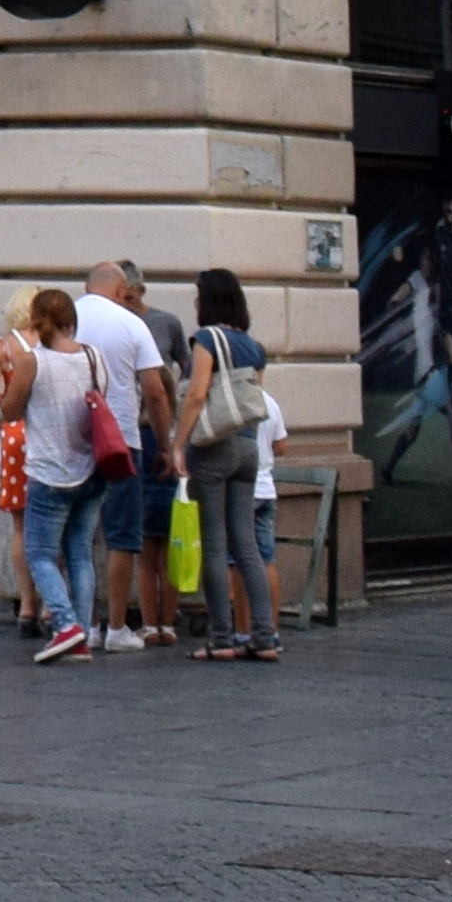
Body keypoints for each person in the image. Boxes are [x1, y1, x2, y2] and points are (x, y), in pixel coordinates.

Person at [0, 284, 108, 659]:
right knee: (79, 553)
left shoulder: (33, 361)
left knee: (40, 554)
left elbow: (10, 410)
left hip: (49, 471)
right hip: (92, 469)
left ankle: (65, 625)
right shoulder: (94, 357)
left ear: (39, 321)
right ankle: (83, 632)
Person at [178, 264, 282, 660]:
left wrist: (177, 444)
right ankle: (264, 636)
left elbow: (197, 394)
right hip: (248, 449)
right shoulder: (253, 346)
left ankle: (221, 638)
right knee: (248, 547)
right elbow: (252, 402)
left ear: (208, 300)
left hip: (214, 449)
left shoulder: (207, 339)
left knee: (216, 546)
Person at [78, 258, 178, 650]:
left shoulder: (65, 319)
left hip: (74, 442)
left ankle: (87, 623)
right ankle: (118, 627)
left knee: (79, 534)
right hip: (121, 441)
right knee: (122, 535)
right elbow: (155, 391)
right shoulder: (132, 323)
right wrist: (166, 445)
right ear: (121, 292)